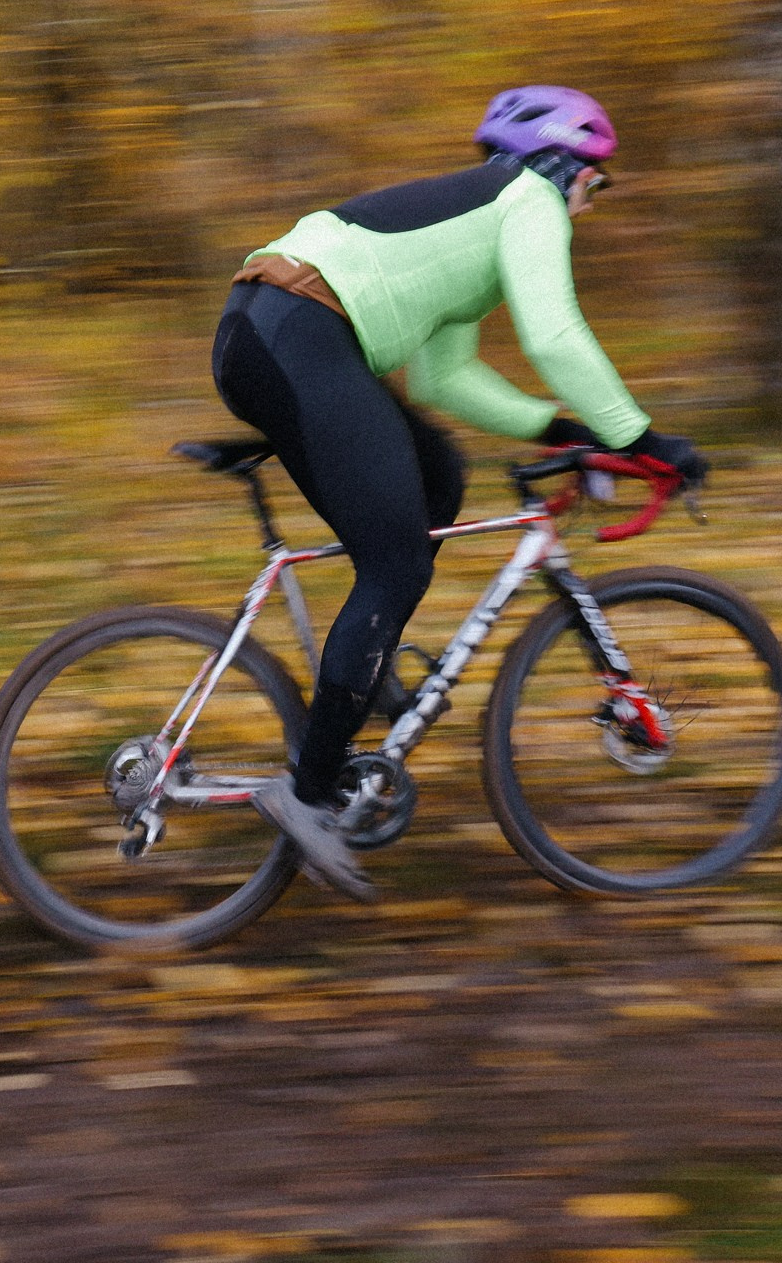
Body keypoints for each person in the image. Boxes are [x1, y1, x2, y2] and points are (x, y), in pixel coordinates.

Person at [212, 86, 705, 902]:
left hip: (278, 329)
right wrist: (641, 440)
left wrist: (561, 433)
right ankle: (305, 796)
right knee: (397, 562)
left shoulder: (476, 226)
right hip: (293, 331)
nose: (594, 200)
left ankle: (361, 682)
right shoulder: (530, 200)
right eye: (600, 181)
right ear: (568, 163)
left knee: (438, 476)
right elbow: (555, 334)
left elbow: (447, 376)